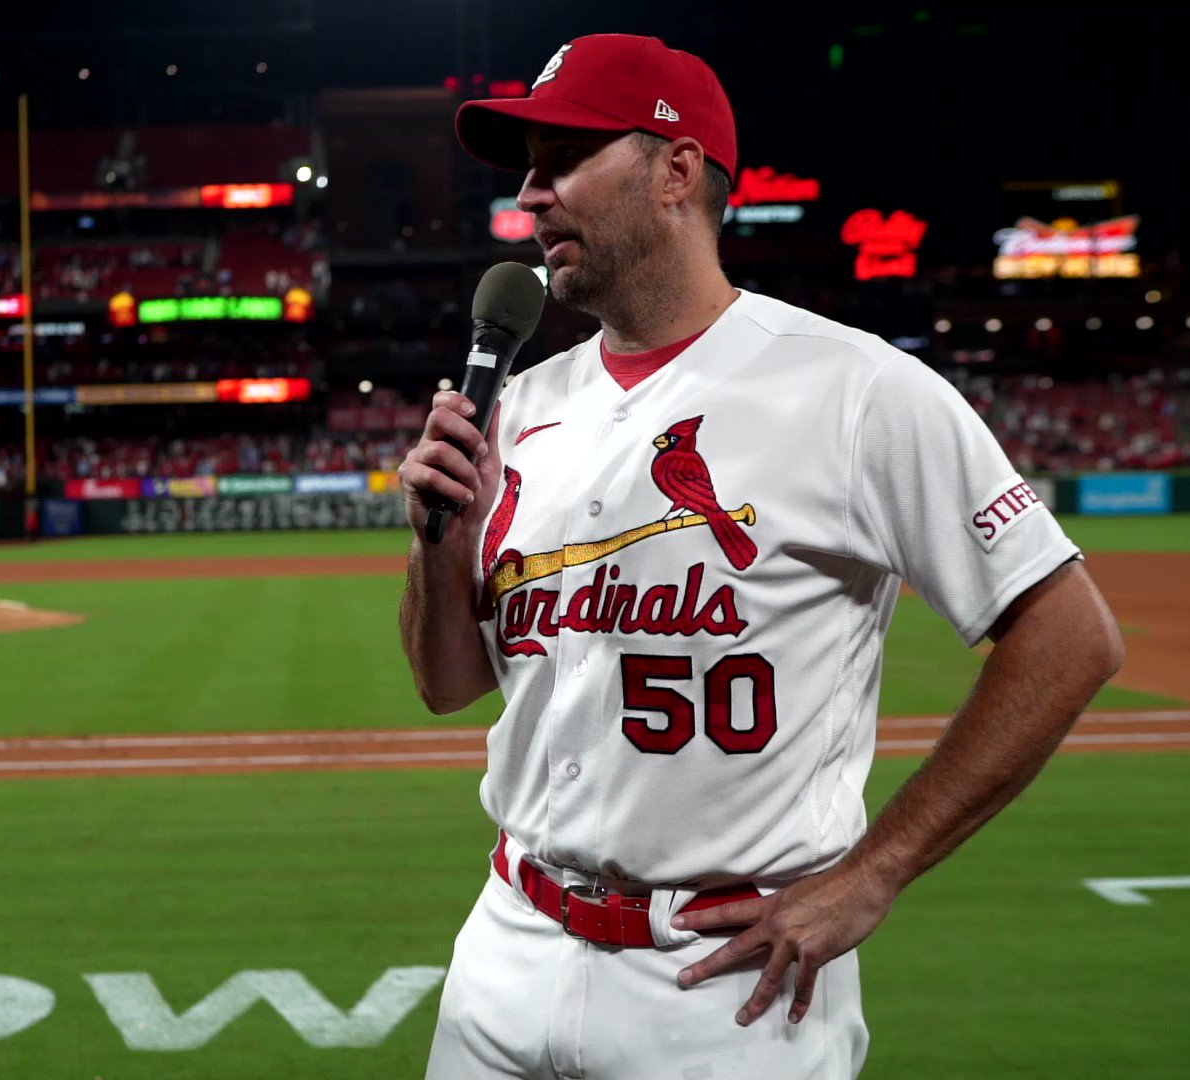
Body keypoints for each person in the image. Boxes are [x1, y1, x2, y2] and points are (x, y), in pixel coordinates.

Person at [400, 34, 1124, 1080]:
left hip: (726, 992)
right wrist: (441, 550)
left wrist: (874, 874)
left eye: (565, 158)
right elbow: (446, 684)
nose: (531, 193)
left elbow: (1072, 636)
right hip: (506, 944)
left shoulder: (855, 389)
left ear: (677, 171)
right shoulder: (523, 406)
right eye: (528, 166)